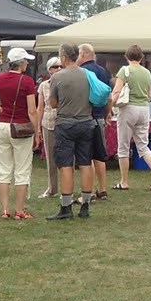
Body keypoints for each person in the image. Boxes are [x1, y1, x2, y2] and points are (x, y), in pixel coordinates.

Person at [0, 46, 40, 220]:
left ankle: (5, 209)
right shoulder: (27, 82)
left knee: (3, 169)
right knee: (22, 169)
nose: (27, 63)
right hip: (20, 127)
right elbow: (32, 111)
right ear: (21, 63)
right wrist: (37, 131)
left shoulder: (0, 78)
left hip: (2, 126)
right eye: (26, 61)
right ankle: (20, 210)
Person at [47, 42, 99, 222]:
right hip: (86, 122)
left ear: (63, 57)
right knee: (85, 163)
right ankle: (85, 204)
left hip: (66, 124)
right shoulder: (88, 74)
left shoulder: (57, 77)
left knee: (66, 165)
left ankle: (66, 206)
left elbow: (53, 103)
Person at [111, 44, 151, 191]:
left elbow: (116, 91)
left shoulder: (124, 70)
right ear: (141, 57)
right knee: (143, 145)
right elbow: (149, 95)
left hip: (128, 108)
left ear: (127, 57)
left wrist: (110, 105)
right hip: (144, 109)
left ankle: (124, 181)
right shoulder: (147, 72)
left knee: (123, 146)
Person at [76, 44, 114, 199]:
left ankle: (89, 190)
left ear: (83, 54)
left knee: (87, 154)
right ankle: (102, 189)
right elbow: (109, 96)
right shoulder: (103, 71)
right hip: (99, 115)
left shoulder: (83, 72)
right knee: (99, 154)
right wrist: (107, 113)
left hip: (86, 115)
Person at [36, 56, 63, 198]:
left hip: (63, 122)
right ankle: (52, 188)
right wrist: (38, 128)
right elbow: (40, 108)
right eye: (55, 66)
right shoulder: (43, 85)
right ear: (49, 70)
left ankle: (66, 189)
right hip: (48, 122)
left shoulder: (66, 83)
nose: (58, 69)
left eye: (60, 66)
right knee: (51, 158)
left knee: (65, 157)